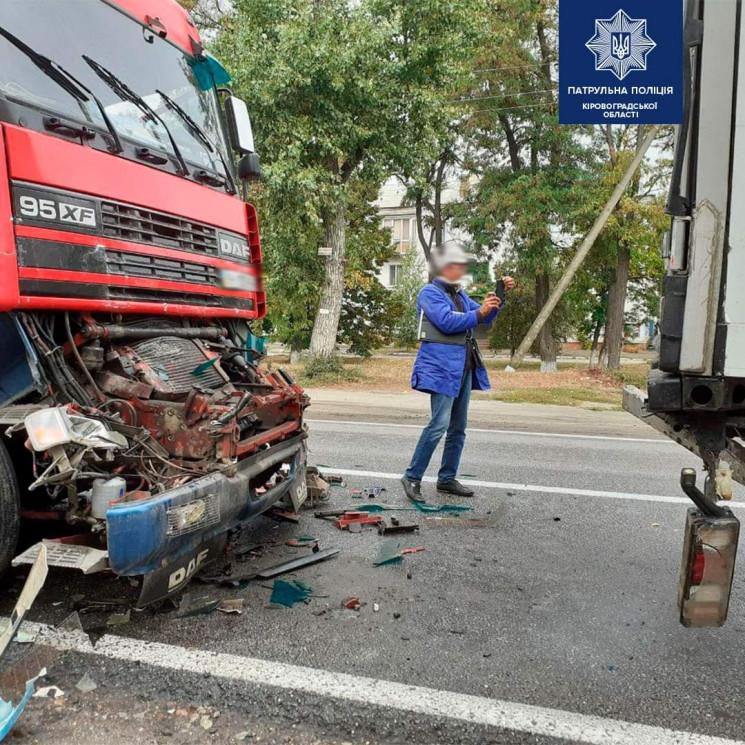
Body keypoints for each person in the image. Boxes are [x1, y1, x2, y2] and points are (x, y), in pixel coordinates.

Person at [400, 242, 514, 502]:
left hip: (462, 368)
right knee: (438, 425)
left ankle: (447, 478)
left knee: (458, 427)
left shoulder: (459, 295)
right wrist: (480, 312)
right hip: (441, 369)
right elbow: (447, 322)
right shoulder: (430, 292)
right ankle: (412, 477)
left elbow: (484, 317)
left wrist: (499, 297)